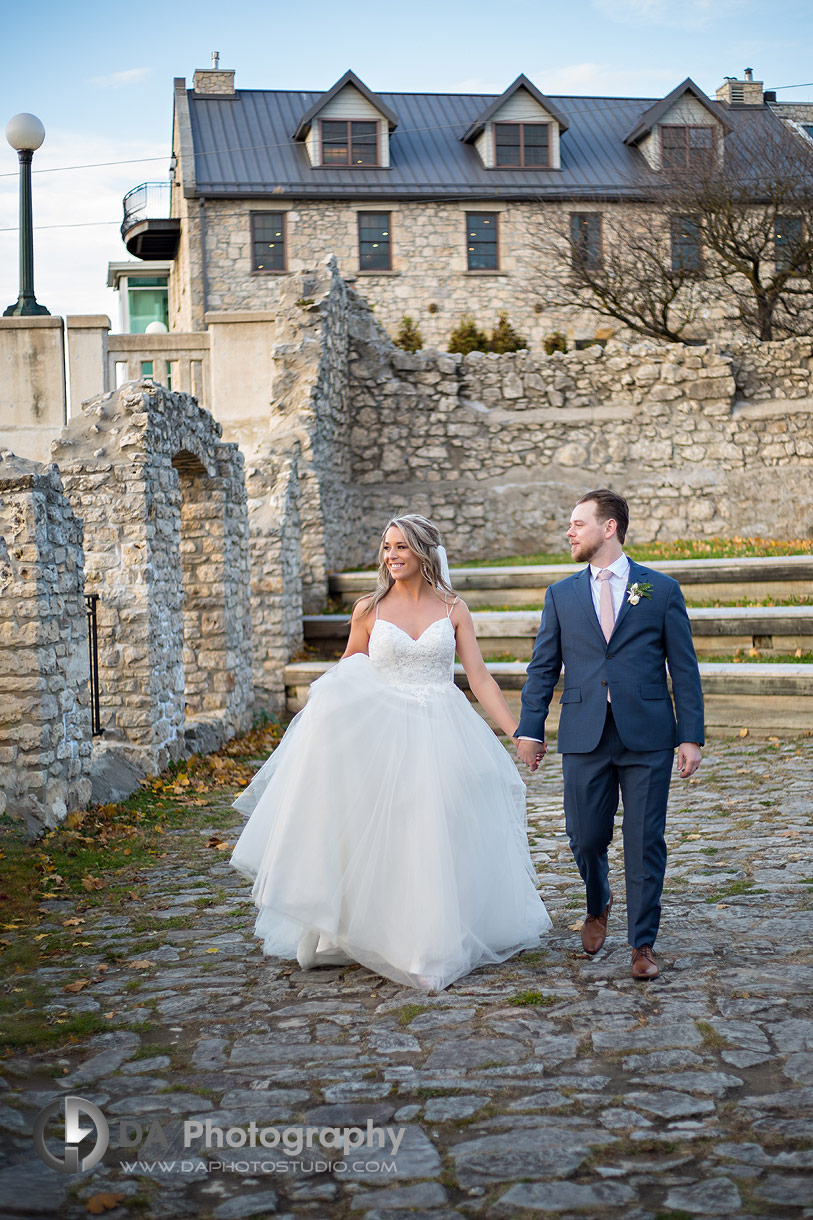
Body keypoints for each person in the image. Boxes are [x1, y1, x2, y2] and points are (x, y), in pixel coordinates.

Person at [230, 513, 551, 991]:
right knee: (383, 831)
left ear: (424, 551)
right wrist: (328, 726)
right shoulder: (368, 610)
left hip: (442, 728)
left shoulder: (453, 608)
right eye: (386, 547)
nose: (391, 555)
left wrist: (517, 733)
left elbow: (479, 678)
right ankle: (373, 930)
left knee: (433, 828)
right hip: (382, 732)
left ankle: (428, 942)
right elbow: (347, 672)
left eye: (401, 547)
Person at [515, 490, 704, 981]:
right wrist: (529, 729)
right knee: (584, 837)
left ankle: (642, 944)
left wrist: (691, 736)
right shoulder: (561, 595)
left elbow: (683, 668)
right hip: (584, 734)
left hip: (648, 735)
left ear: (610, 528)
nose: (570, 531)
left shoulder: (659, 590)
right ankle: (598, 901)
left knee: (644, 841)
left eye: (579, 523)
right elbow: (542, 670)